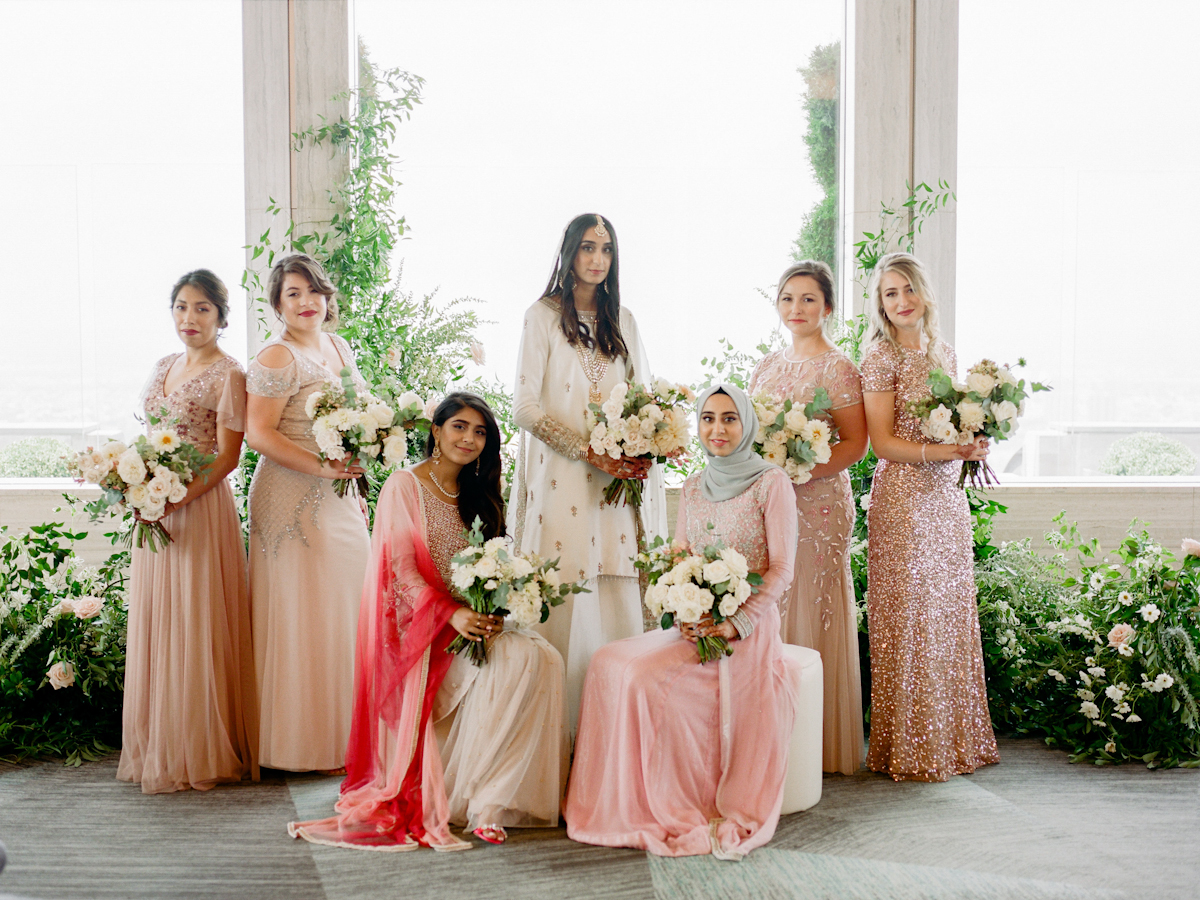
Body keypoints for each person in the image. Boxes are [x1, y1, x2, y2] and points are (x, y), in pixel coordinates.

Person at [289, 393, 568, 851]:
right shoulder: (405, 486)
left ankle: (499, 799)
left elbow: (492, 566)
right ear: (435, 431)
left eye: (480, 432)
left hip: (470, 621)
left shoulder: (480, 493)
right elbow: (400, 573)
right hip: (423, 632)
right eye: (459, 426)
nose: (469, 439)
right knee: (514, 661)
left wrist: (492, 611)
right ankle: (485, 805)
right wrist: (452, 614)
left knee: (544, 657)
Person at [564, 384, 798, 860]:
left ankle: (662, 798)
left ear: (747, 423)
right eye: (708, 418)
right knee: (609, 661)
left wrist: (736, 624)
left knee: (641, 677)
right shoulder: (693, 484)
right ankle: (619, 799)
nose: (718, 428)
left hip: (747, 628)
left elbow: (781, 571)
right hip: (697, 619)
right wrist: (678, 605)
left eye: (730, 418)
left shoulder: (772, 483)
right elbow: (679, 555)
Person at [509, 213, 667, 730]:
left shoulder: (623, 319)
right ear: (569, 253)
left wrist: (647, 440)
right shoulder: (542, 316)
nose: (597, 258)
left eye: (606, 249)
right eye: (587, 247)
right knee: (567, 585)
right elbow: (524, 408)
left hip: (615, 486)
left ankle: (612, 737)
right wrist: (585, 450)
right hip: (561, 480)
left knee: (614, 584)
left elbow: (643, 396)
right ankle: (559, 735)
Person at [859, 252, 999, 782]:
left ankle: (954, 741)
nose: (900, 302)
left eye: (907, 290)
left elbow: (955, 424)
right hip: (904, 497)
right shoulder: (880, 358)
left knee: (946, 610)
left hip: (946, 499)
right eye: (889, 294)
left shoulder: (945, 351)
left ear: (923, 293)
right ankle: (911, 748)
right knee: (911, 616)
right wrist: (947, 453)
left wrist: (974, 440)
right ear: (881, 304)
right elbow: (883, 444)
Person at [117, 269, 258, 793]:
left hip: (197, 507)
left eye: (201, 308)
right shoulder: (163, 365)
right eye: (180, 307)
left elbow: (227, 457)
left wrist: (174, 495)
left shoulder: (230, 374)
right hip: (153, 506)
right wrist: (139, 486)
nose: (189, 318)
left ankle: (200, 744)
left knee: (196, 617)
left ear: (221, 316)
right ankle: (162, 738)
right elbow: (152, 435)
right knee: (161, 617)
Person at [245, 254, 371, 773]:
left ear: (327, 297)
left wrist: (362, 458)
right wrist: (321, 468)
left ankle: (347, 735)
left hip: (341, 493)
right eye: (292, 293)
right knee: (303, 612)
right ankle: (298, 744)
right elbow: (259, 433)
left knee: (347, 604)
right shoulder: (277, 358)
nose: (305, 302)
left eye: (313, 291)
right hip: (292, 494)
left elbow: (358, 413)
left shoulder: (338, 345)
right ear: (277, 303)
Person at [748, 260, 869, 776]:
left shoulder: (838, 368)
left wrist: (801, 470)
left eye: (808, 300)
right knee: (772, 599)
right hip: (768, 502)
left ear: (828, 307)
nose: (796, 309)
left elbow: (856, 443)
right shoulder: (766, 367)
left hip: (819, 504)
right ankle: (769, 735)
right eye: (788, 299)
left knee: (812, 601)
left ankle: (815, 743)